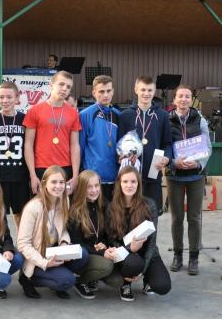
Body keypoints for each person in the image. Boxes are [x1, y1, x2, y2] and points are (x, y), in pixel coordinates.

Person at [16, 166, 89, 299]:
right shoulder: (33, 208)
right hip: (37, 257)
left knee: (82, 254)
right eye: (54, 182)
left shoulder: (64, 200)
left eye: (61, 182)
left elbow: (63, 229)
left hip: (54, 251)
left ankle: (57, 276)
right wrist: (45, 263)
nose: (58, 186)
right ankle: (28, 279)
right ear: (44, 184)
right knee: (67, 281)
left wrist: (64, 243)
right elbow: (22, 244)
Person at [105, 166, 171, 301]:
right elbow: (111, 239)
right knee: (134, 264)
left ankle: (147, 279)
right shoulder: (111, 207)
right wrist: (130, 248)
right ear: (119, 184)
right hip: (124, 253)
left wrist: (143, 271)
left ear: (138, 184)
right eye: (125, 181)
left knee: (163, 286)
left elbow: (152, 243)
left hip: (147, 252)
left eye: (133, 181)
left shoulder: (149, 205)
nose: (129, 185)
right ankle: (126, 283)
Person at [166, 84, 211, 275]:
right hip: (175, 176)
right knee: (177, 218)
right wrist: (172, 162)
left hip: (195, 176)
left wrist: (198, 163)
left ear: (191, 100)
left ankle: (194, 258)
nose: (183, 99)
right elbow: (164, 145)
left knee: (194, 218)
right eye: (180, 96)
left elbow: (207, 147)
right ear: (174, 99)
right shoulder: (166, 120)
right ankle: (178, 256)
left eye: (187, 96)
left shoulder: (200, 120)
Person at [117, 75, 172, 214]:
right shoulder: (125, 115)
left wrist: (166, 157)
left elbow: (167, 143)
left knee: (152, 215)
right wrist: (121, 157)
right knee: (130, 214)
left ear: (154, 91)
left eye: (149, 90)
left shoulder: (163, 116)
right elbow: (119, 144)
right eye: (143, 90)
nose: (146, 93)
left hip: (153, 174)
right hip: (130, 177)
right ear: (136, 90)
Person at [24, 70, 82, 195]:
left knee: (64, 206)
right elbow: (28, 144)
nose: (64, 89)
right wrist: (32, 174)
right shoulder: (34, 111)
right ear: (51, 85)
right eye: (61, 84)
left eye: (68, 87)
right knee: (41, 206)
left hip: (65, 168)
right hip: (41, 168)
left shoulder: (73, 113)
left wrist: (75, 175)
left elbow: (75, 145)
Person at [0, 81, 30, 227]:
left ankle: (22, 240)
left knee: (21, 214)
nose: (5, 101)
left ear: (17, 98)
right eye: (1, 97)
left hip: (20, 176)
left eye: (9, 97)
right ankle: (2, 241)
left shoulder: (25, 119)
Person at [68, 170, 114, 299]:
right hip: (83, 255)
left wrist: (104, 243)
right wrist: (101, 252)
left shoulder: (104, 205)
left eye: (96, 185)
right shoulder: (74, 211)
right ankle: (79, 280)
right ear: (81, 189)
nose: (94, 190)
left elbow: (109, 233)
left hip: (98, 250)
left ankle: (93, 277)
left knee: (116, 281)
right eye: (89, 187)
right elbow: (77, 243)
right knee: (106, 266)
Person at [79, 75, 121, 200]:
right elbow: (80, 147)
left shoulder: (118, 115)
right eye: (101, 91)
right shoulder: (85, 115)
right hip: (93, 179)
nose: (105, 95)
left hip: (114, 177)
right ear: (94, 93)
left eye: (108, 91)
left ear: (113, 91)